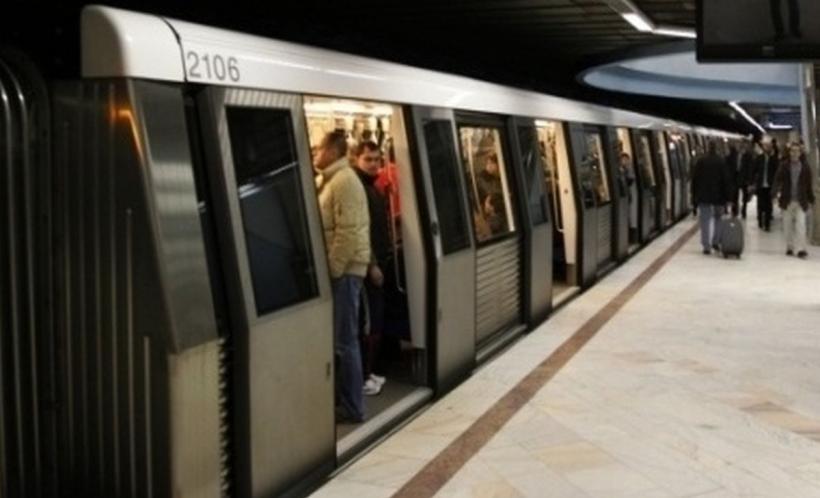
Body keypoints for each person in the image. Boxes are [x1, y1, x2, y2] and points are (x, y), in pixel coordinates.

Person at [315, 130, 371, 423]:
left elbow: (348, 232)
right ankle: (345, 401)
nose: (316, 153)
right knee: (342, 340)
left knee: (345, 341)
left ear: (333, 151)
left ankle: (353, 407)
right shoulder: (330, 181)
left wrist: (333, 270)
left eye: (320, 149)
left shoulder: (344, 181)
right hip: (342, 271)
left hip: (346, 272)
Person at [353, 141, 390, 396]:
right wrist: (372, 264)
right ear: (356, 159)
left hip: (378, 261)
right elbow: (360, 231)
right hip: (367, 267)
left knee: (376, 320)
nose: (374, 164)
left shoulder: (372, 187)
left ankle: (369, 371)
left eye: (377, 159)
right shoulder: (359, 188)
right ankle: (364, 376)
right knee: (368, 322)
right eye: (368, 159)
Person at [773, 142, 815, 258]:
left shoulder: (805, 167)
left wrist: (811, 200)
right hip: (787, 201)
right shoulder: (784, 166)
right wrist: (774, 194)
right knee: (787, 226)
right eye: (792, 151)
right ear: (789, 152)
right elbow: (777, 180)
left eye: (797, 151)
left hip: (801, 201)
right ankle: (790, 246)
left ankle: (801, 249)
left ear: (800, 153)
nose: (794, 153)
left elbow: (808, 185)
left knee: (801, 225)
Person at [691, 141, 729, 254]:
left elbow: (695, 179)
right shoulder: (721, 162)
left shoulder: (701, 161)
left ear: (708, 148)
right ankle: (715, 241)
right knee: (719, 218)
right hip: (719, 196)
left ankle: (706, 246)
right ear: (716, 148)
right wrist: (728, 197)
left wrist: (694, 194)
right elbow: (726, 180)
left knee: (704, 220)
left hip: (704, 196)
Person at [476, 153, 507, 235]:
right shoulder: (484, 178)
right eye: (487, 163)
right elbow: (492, 193)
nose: (488, 166)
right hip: (494, 215)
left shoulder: (501, 179)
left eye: (491, 163)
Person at [753, 139, 778, 232]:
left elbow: (777, 172)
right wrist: (752, 182)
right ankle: (760, 221)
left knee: (768, 205)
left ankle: (767, 225)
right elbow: (754, 170)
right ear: (763, 148)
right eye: (765, 146)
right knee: (760, 204)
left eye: (769, 146)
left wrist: (777, 186)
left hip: (769, 186)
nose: (767, 148)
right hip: (760, 185)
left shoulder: (774, 159)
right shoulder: (759, 158)